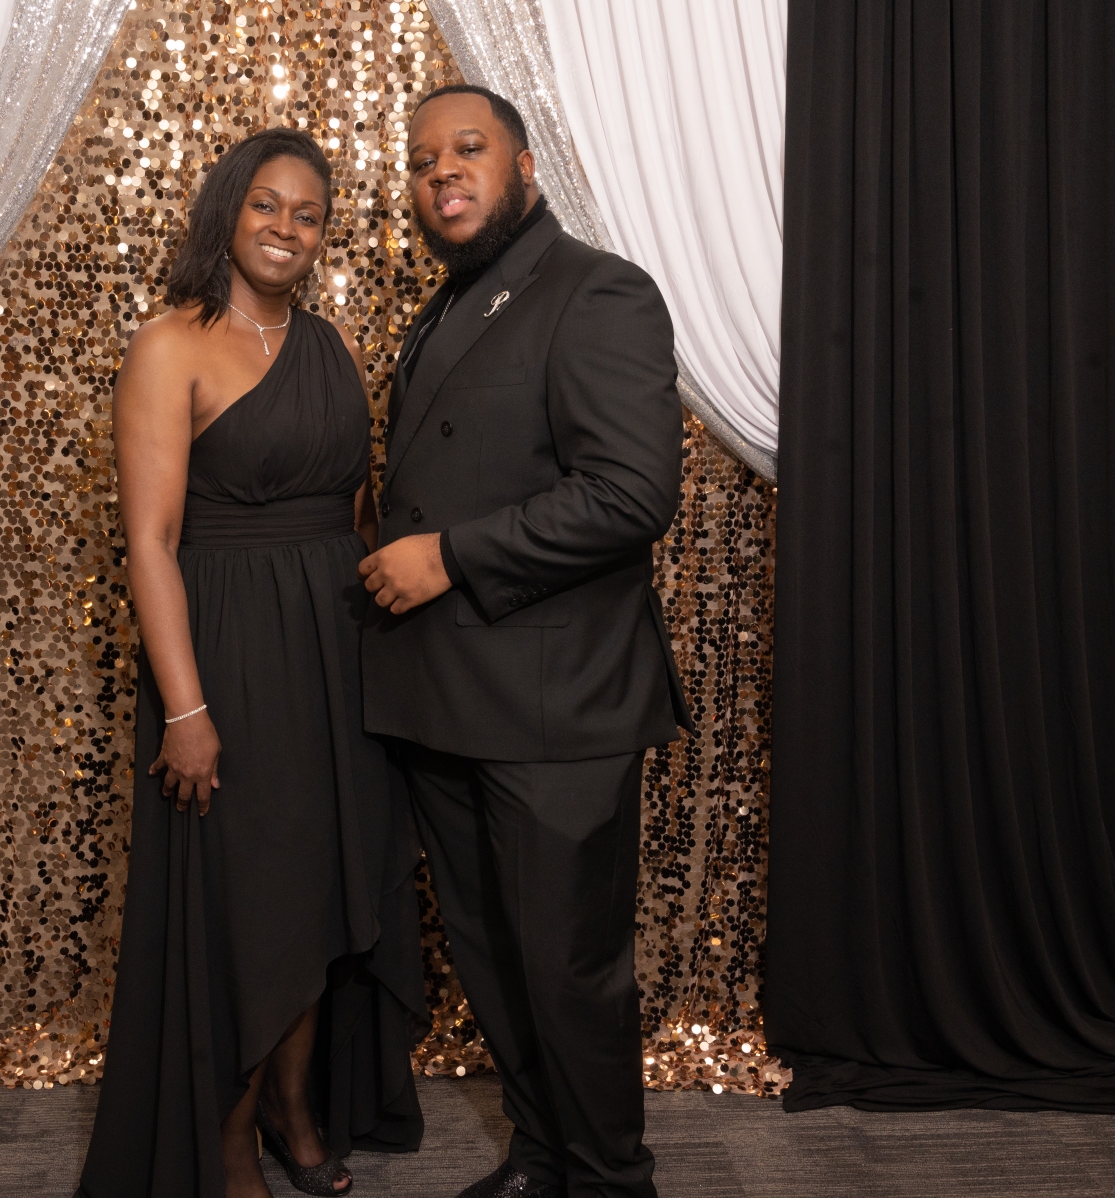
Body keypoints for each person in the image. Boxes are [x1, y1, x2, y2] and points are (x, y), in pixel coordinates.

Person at [77, 128, 427, 1198]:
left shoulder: (333, 345)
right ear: (228, 212)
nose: (286, 227)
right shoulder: (170, 344)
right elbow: (150, 541)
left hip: (337, 654)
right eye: (266, 205)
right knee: (248, 898)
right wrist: (185, 710)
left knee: (319, 887)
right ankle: (227, 1132)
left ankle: (292, 1103)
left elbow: (360, 514)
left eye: (308, 213)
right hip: (227, 649)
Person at [357, 86, 690, 1198]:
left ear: (525, 164)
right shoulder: (454, 302)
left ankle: (610, 1180)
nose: (441, 172)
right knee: (495, 959)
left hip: (555, 702)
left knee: (568, 969)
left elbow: (631, 493)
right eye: (421, 161)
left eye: (468, 149)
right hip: (447, 691)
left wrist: (450, 556)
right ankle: (546, 1158)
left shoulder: (597, 290)